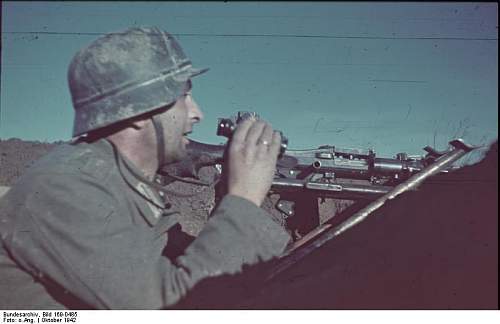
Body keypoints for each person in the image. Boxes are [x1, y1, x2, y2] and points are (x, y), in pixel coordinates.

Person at [0, 26, 291, 309]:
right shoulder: (66, 189)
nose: (197, 113)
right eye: (183, 97)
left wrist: (230, 197)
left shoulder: (120, 181)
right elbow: (169, 308)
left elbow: (185, 264)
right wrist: (245, 199)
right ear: (139, 111)